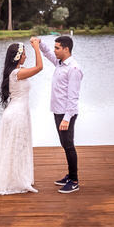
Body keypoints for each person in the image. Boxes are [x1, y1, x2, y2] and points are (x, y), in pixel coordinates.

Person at [0, 37, 44, 195]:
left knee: (15, 147)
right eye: (24, 54)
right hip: (16, 114)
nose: (26, 56)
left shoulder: (14, 72)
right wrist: (36, 47)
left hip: (17, 112)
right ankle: (13, 180)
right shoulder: (17, 73)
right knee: (15, 147)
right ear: (17, 56)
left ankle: (15, 178)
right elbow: (39, 67)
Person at [43, 35, 82, 193]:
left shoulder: (73, 69)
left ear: (66, 49)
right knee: (65, 145)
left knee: (69, 146)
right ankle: (70, 175)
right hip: (57, 111)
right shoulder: (60, 63)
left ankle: (74, 181)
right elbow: (48, 54)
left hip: (67, 114)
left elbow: (73, 97)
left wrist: (66, 118)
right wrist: (39, 44)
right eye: (54, 47)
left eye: (57, 48)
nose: (54, 50)